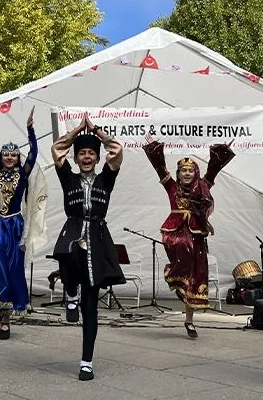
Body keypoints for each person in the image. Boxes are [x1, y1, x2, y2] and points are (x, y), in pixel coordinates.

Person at [51, 113, 125, 381]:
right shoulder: (67, 178)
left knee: (91, 305)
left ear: (96, 158)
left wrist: (98, 133)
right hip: (72, 230)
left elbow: (116, 150)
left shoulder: (107, 178)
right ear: (76, 158)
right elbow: (57, 149)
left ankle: (86, 362)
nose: (86, 157)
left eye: (90, 154)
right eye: (81, 153)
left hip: (97, 237)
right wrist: (76, 131)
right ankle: (70, 293)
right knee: (68, 252)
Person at [142, 132, 234, 338]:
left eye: (190, 170)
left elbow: (213, 169)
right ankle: (174, 274)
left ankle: (189, 321)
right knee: (182, 248)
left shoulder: (203, 186)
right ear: (178, 172)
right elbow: (160, 168)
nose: (186, 173)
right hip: (176, 231)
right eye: (183, 170)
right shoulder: (171, 187)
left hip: (196, 233)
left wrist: (221, 153)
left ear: (195, 172)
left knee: (195, 277)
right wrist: (154, 149)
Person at [0, 104, 38, 339]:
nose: (10, 157)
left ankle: (5, 318)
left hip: (14, 225)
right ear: (1, 157)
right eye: (6, 154)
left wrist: (30, 129)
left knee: (13, 269)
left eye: (13, 154)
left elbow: (33, 153)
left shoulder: (23, 173)